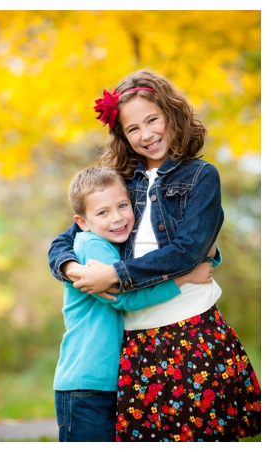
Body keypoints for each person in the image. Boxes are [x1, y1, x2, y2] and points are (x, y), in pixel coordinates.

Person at [48, 69, 260, 441]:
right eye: (133, 129)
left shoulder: (200, 177)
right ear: (123, 136)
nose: (146, 134)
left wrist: (115, 274)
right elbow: (67, 237)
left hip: (192, 333)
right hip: (138, 345)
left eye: (152, 120)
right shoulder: (120, 182)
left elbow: (188, 251)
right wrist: (69, 267)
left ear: (170, 114)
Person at [54, 165, 215, 442]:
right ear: (82, 221)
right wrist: (186, 276)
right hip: (85, 381)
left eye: (122, 206)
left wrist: (209, 253)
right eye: (103, 212)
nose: (117, 218)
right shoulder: (93, 247)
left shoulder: (109, 243)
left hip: (101, 380)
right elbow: (126, 297)